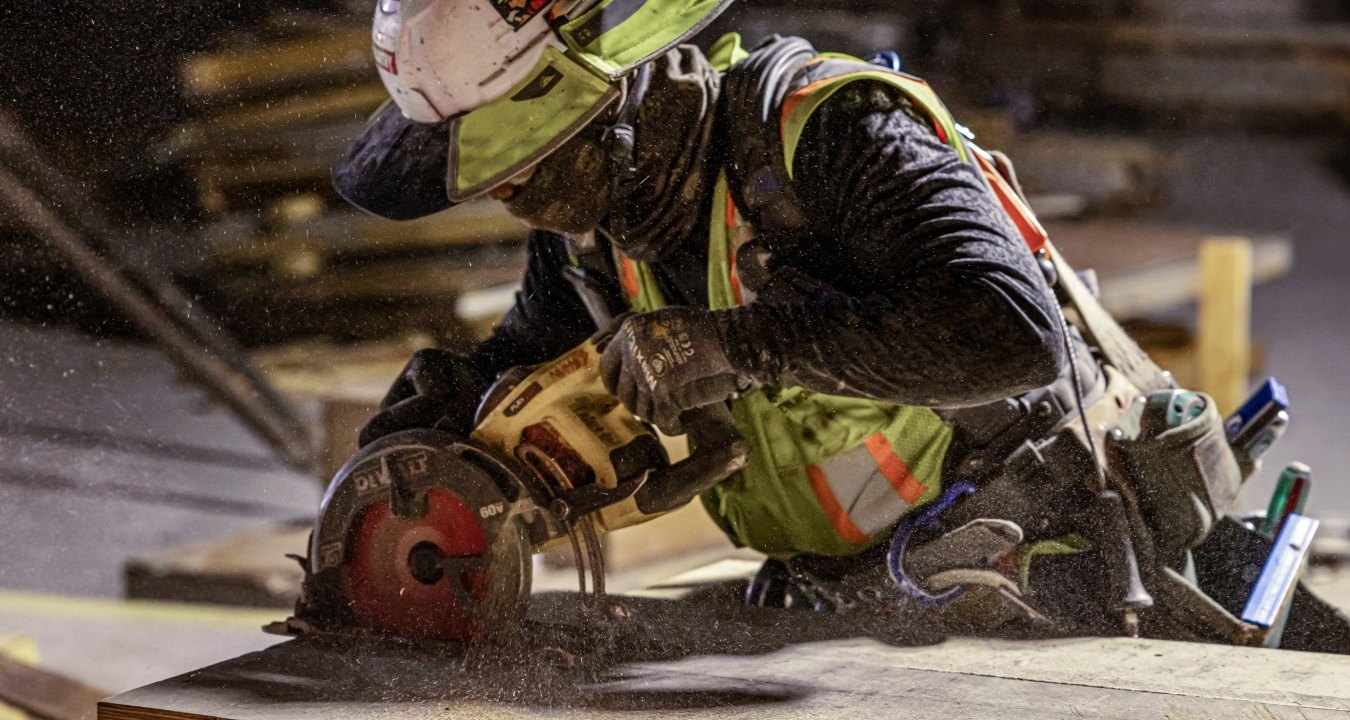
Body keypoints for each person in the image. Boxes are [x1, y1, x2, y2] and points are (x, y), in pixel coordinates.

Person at [332, 0, 1350, 650]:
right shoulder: (597, 225)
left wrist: (742, 346)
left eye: (528, 171)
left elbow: (1011, 332)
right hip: (847, 600)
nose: (522, 203)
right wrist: (457, 409)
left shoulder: (826, 133)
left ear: (611, 104)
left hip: (1050, 563)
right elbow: (540, 353)